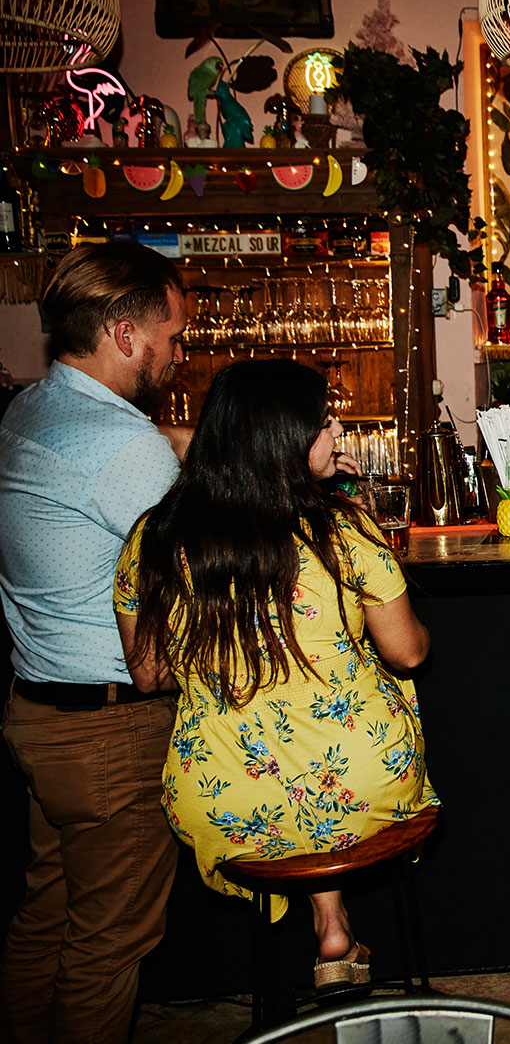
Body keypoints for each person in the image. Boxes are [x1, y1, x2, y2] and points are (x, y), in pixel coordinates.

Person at [114, 359, 436, 992]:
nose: (339, 430)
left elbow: (149, 674)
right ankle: (334, 923)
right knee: (336, 744)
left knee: (284, 750)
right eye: (324, 422)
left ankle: (329, 924)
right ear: (284, 439)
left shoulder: (155, 538)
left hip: (224, 799)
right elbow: (408, 654)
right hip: (362, 783)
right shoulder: (342, 531)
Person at [0, 243, 187, 1044]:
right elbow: (198, 574)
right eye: (173, 336)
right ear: (123, 332)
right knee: (107, 947)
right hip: (112, 731)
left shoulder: (31, 408)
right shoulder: (123, 446)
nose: (182, 353)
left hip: (39, 713)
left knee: (46, 916)